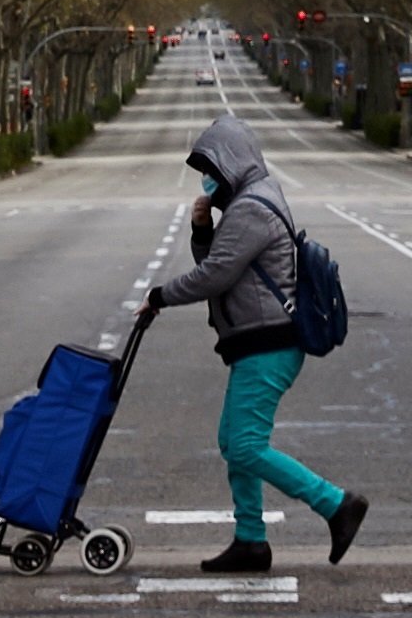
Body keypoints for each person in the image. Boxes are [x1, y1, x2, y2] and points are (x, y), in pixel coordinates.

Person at [139, 116, 365, 574]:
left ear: (231, 164)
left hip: (269, 344)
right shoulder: (249, 200)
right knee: (235, 441)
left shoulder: (251, 209)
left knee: (243, 445)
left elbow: (215, 276)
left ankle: (336, 504)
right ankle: (250, 541)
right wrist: (203, 231)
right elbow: (225, 268)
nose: (208, 181)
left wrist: (159, 296)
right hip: (256, 344)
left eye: (212, 171)